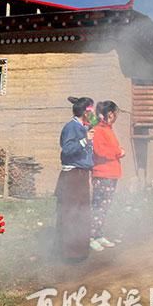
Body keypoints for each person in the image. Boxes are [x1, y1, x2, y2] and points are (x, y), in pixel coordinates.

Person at [55, 96, 95, 261]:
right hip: (72, 177)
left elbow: (95, 123)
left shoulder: (83, 127)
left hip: (81, 176)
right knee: (71, 214)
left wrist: (87, 113)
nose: (93, 114)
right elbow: (67, 150)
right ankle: (68, 254)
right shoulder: (72, 127)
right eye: (91, 111)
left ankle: (79, 252)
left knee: (82, 213)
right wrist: (85, 140)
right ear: (85, 112)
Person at [90, 101, 125, 251]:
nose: (116, 115)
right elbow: (100, 152)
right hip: (102, 174)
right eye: (114, 112)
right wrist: (119, 153)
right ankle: (90, 237)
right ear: (109, 113)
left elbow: (112, 147)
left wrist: (118, 150)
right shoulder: (98, 130)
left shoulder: (108, 129)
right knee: (97, 206)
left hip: (111, 174)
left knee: (104, 207)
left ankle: (98, 234)